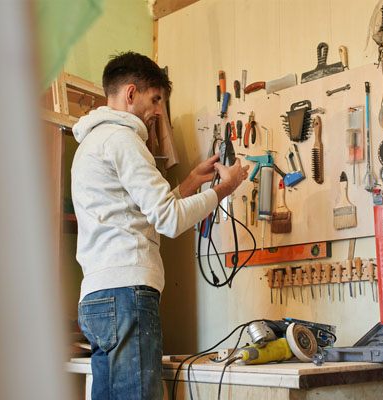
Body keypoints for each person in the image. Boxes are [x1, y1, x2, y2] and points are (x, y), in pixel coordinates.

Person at [71, 51, 248, 400]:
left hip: (95, 298)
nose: (157, 113)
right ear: (131, 93)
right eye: (155, 100)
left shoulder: (90, 144)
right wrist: (223, 189)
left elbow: (135, 210)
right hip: (127, 293)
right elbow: (167, 219)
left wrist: (189, 184)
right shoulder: (124, 140)